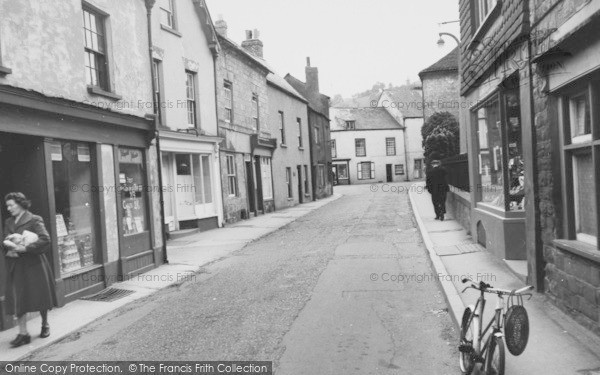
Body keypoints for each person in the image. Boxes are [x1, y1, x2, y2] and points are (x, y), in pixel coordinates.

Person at [3, 192, 57, 348]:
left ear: (21, 203)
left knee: (40, 295)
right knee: (18, 297)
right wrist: (7, 243)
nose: (9, 208)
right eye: (7, 206)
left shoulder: (34, 219)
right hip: (17, 264)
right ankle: (23, 333)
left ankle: (45, 324)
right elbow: (5, 239)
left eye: (11, 205)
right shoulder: (8, 221)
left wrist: (25, 248)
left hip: (34, 264)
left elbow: (45, 239)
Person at [425, 154, 450, 221]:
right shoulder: (443, 170)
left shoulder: (429, 172)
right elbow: (447, 179)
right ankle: (442, 213)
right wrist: (447, 188)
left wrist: (429, 189)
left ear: (432, 164)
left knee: (435, 202)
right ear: (438, 164)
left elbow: (428, 182)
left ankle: (437, 215)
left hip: (434, 190)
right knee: (442, 201)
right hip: (443, 189)